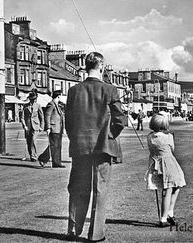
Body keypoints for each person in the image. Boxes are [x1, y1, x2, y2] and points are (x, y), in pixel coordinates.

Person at [65, 52, 127, 242]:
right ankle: (96, 234)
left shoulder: (74, 90)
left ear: (85, 66)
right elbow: (120, 120)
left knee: (77, 189)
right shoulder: (110, 90)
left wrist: (76, 138)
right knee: (100, 190)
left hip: (80, 147)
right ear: (101, 67)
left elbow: (69, 122)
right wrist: (109, 136)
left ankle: (73, 230)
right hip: (103, 148)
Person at [145, 112, 186, 227]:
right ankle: (164, 217)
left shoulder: (150, 137)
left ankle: (169, 213)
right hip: (169, 164)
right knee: (171, 189)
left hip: (156, 164)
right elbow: (172, 149)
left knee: (174, 187)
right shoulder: (168, 137)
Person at [38, 90, 65, 168]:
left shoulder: (57, 105)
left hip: (58, 128)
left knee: (57, 146)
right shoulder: (51, 104)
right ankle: (43, 158)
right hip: (53, 128)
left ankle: (56, 162)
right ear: (58, 96)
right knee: (53, 145)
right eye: (60, 96)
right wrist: (48, 127)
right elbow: (47, 116)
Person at [20, 91, 44, 162]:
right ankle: (31, 154)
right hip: (28, 127)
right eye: (32, 99)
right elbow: (22, 117)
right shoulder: (25, 106)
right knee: (29, 141)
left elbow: (41, 117)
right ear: (29, 99)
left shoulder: (38, 106)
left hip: (35, 126)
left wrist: (41, 126)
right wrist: (24, 126)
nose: (33, 100)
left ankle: (34, 156)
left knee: (33, 140)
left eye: (34, 99)